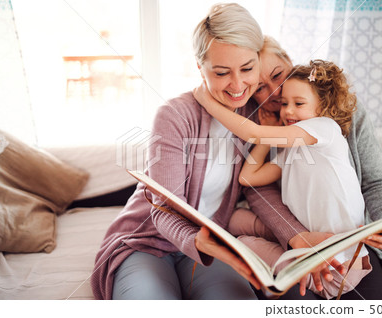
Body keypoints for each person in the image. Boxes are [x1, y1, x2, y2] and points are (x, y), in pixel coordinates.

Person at [90, 3, 339, 300]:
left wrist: (296, 237)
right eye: (221, 73)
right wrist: (199, 240)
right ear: (200, 68)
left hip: (212, 248)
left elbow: (258, 192)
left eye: (247, 69)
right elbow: (163, 209)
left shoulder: (255, 116)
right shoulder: (174, 115)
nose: (237, 85)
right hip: (147, 242)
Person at [196, 38, 382, 300]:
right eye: (262, 87)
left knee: (243, 246)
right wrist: (271, 132)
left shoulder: (326, 126)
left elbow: (376, 181)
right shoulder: (290, 149)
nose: (279, 99)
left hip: (341, 259)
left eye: (278, 76)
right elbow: (248, 178)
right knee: (235, 225)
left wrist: (206, 100)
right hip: (301, 240)